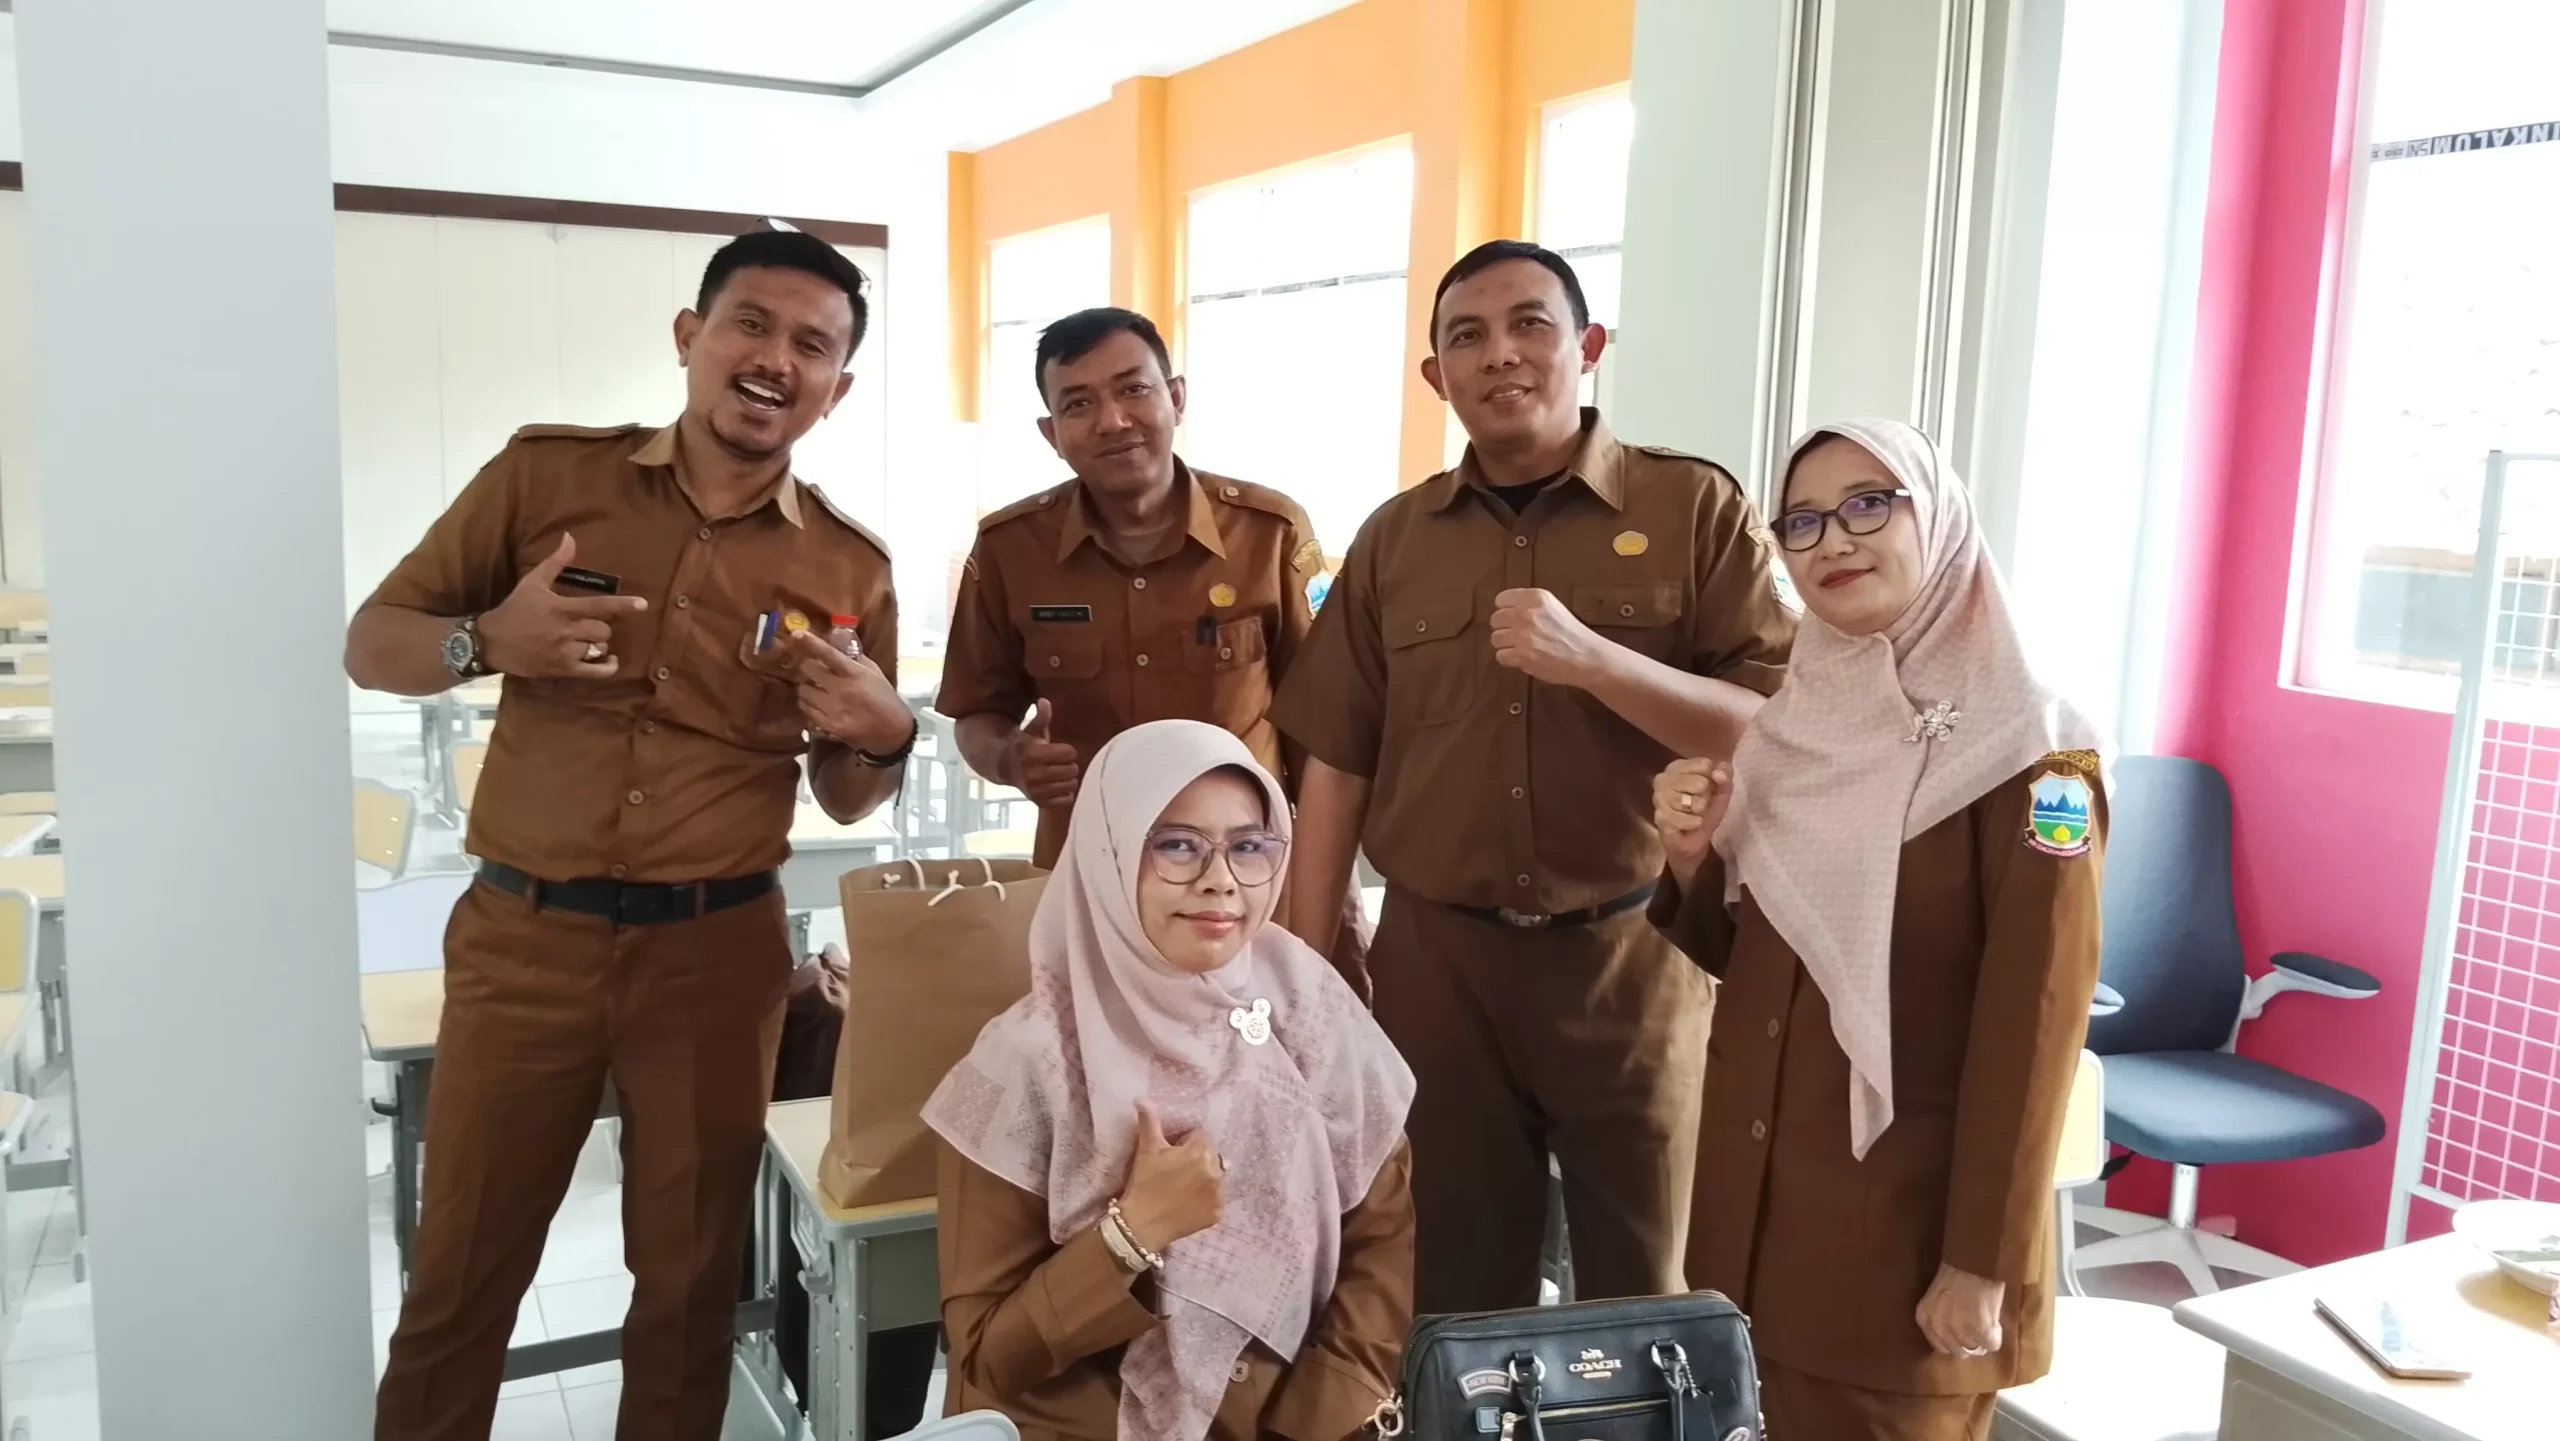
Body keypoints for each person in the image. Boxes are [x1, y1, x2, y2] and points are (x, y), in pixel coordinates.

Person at [347, 230, 918, 1441]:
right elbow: (373, 640)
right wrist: (485, 641)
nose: (775, 359)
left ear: (837, 387)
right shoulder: (547, 479)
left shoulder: (848, 565)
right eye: (750, 324)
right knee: (458, 1284)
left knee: (688, 1294)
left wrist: (886, 735)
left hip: (715, 961)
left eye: (811, 345)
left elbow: (844, 794)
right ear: (689, 336)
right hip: (524, 942)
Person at [1271, 240, 1796, 1315]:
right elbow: (1338, 761)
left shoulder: (1692, 508)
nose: (1500, 354)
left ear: (1588, 346)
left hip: (1633, 954)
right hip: (1439, 966)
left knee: (1647, 1286)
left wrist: (1598, 662)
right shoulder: (1394, 540)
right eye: (1467, 336)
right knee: (1450, 1288)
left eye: (1530, 325)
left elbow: (1773, 727)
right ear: (1437, 376)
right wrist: (1303, 970)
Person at [1648, 419, 2106, 1440]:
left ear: (1936, 518)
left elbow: (2035, 1024)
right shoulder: (1792, 733)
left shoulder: (2044, 760)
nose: (1833, 541)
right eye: (1802, 521)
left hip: (1905, 1246)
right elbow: (1767, 967)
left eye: (1868, 503)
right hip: (1756, 1227)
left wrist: (1979, 1258)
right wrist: (1693, 862)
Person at [926, 720, 1416, 1441]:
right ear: (1110, 852)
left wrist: (1314, 1421)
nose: (1221, 879)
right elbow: (988, 1357)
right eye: (1178, 845)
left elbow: (1379, 1251)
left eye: (1248, 846)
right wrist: (1131, 1235)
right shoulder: (1021, 1066)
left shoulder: (1313, 1011)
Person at [940, 307, 1329, 872]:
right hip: (1087, 874)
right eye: (1078, 404)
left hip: (1242, 878)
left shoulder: (1270, 534)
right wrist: (1010, 761)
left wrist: (1333, 892)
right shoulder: (1011, 548)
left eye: (1133, 389)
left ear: (1176, 398)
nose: (1113, 421)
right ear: (1051, 434)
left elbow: (1321, 731)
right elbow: (977, 713)